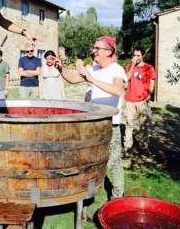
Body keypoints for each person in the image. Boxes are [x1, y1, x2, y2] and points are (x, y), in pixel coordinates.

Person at [53, 36, 127, 200]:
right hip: (94, 124)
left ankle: (116, 199)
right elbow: (72, 79)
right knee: (95, 161)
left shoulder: (117, 70)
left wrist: (92, 80)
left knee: (113, 162)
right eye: (94, 48)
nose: (93, 51)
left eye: (97, 48)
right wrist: (60, 68)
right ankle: (90, 192)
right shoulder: (94, 70)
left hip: (110, 124)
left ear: (108, 51)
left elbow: (117, 91)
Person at [123, 47, 156, 156]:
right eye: (134, 55)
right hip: (130, 100)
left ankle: (143, 146)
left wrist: (149, 94)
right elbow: (126, 79)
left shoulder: (149, 68)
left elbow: (152, 83)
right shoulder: (128, 66)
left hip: (142, 100)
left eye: (138, 55)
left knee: (143, 124)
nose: (136, 58)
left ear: (143, 56)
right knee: (129, 123)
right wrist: (132, 66)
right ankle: (127, 145)